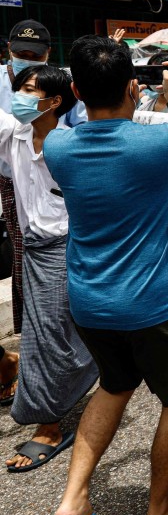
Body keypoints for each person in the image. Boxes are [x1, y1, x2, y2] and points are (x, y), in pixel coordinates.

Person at [45, 35, 168, 515]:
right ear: (133, 87)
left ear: (75, 89)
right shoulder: (159, 142)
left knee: (114, 385)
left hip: (89, 301)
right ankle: (159, 510)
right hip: (154, 303)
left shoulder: (58, 145)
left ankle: (73, 502)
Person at [2, 65, 98, 473]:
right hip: (33, 250)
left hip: (69, 247)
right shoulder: (12, 138)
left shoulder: (71, 145)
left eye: (27, 90)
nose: (18, 97)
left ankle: (49, 426)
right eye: (17, 89)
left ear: (54, 101)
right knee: (51, 332)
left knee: (47, 337)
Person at [1, 19, 52, 336]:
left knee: (52, 261)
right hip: (10, 184)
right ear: (9, 50)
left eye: (35, 55)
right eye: (22, 53)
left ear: (47, 54)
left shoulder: (58, 83)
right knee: (22, 266)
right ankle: (34, 336)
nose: (28, 60)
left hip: (51, 181)